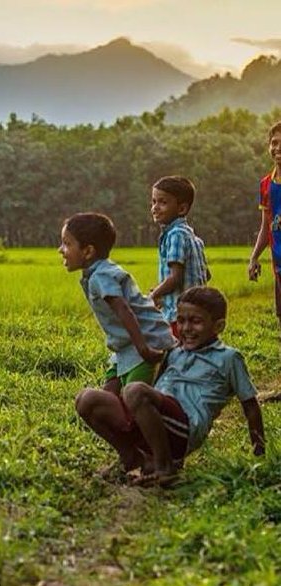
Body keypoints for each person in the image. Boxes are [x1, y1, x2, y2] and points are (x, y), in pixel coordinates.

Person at [76, 286, 265, 487]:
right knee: (86, 399)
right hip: (155, 421)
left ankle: (165, 467)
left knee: (134, 391)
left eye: (196, 321)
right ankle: (131, 456)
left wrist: (259, 452)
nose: (186, 328)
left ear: (218, 326)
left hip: (184, 427)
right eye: (181, 320)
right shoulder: (174, 351)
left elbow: (250, 406)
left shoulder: (228, 358)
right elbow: (157, 385)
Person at [59, 212, 176, 396]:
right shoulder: (99, 272)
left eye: (67, 244)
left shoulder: (100, 276)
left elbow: (124, 310)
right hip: (125, 349)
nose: (61, 249)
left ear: (88, 251)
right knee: (107, 399)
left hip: (144, 345)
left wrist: (144, 349)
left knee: (134, 399)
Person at [150, 175, 209, 336]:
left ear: (181, 209)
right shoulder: (193, 237)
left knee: (177, 355)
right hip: (199, 311)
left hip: (179, 315)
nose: (155, 207)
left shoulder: (174, 235)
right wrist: (162, 288)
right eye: (154, 202)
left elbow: (176, 277)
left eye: (163, 202)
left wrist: (154, 294)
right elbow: (206, 275)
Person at [248, 121, 281, 328]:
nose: (277, 148)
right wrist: (254, 258)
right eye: (274, 143)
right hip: (279, 265)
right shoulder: (266, 185)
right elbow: (265, 226)